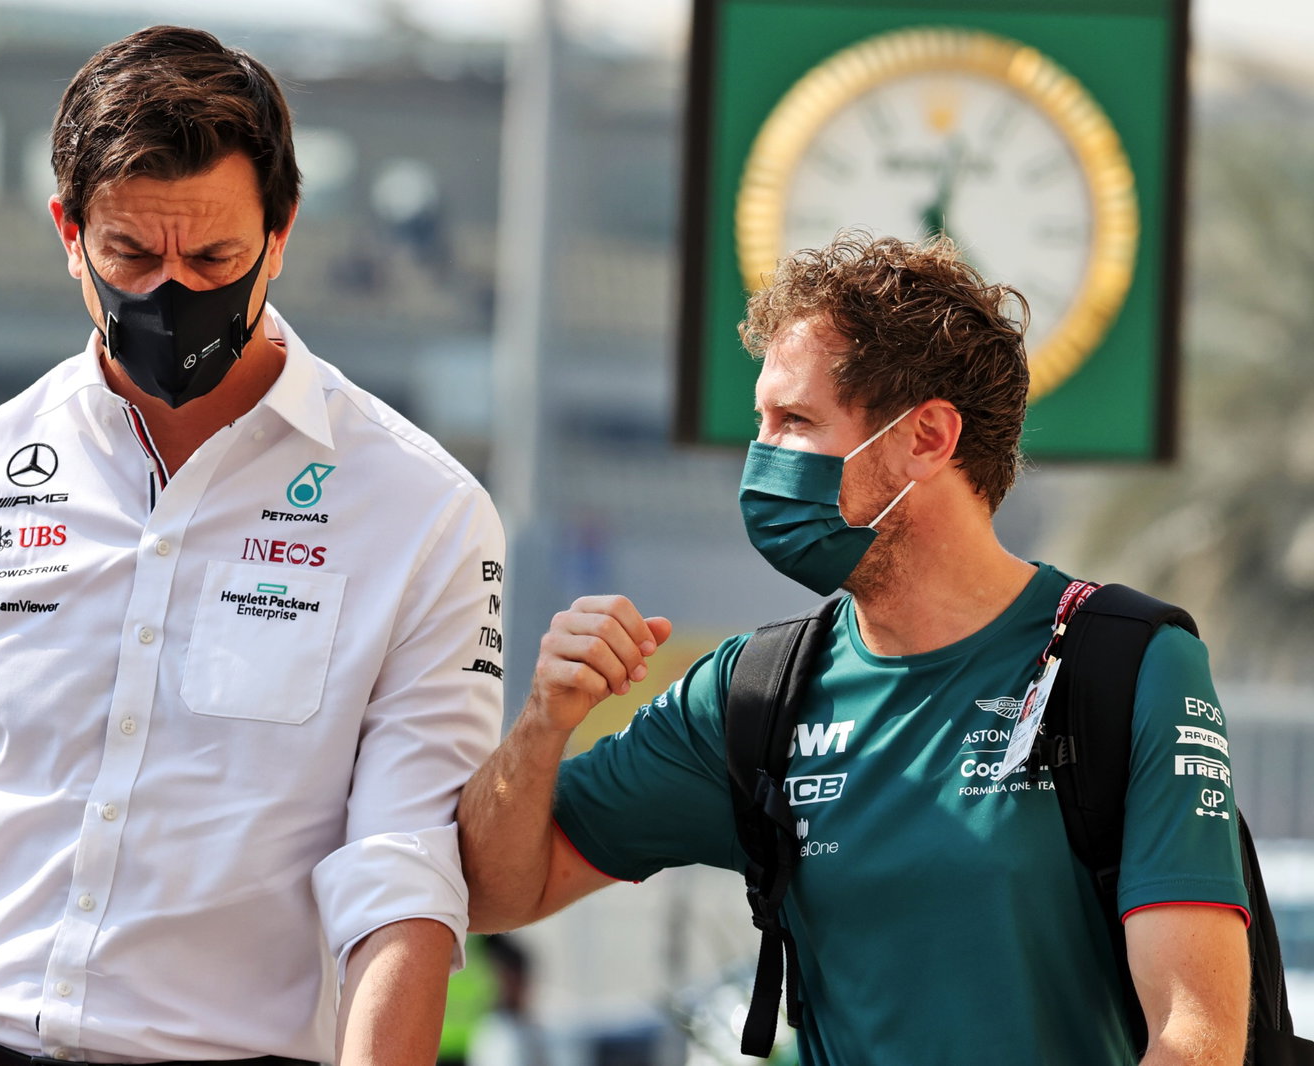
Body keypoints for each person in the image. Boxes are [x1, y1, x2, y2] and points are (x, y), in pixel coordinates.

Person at [0, 25, 504, 1066]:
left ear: (281, 233)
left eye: (213, 257)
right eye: (129, 255)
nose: (170, 292)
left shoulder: (422, 512)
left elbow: (402, 882)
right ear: (67, 230)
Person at [458, 234, 1251, 1066]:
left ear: (928, 438)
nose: (761, 461)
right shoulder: (752, 697)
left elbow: (1195, 1038)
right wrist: (545, 721)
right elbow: (491, 891)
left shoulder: (1129, 666)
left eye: (795, 422)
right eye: (761, 424)